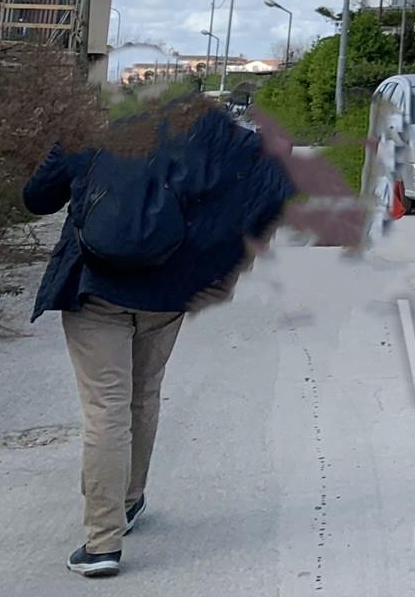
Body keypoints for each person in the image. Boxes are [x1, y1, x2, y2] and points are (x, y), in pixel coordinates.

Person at [21, 101, 327, 578]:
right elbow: (272, 174)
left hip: (94, 289)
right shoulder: (203, 140)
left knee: (105, 409)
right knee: (142, 395)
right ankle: (128, 501)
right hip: (165, 293)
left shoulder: (90, 134)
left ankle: (102, 541)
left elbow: (37, 199)